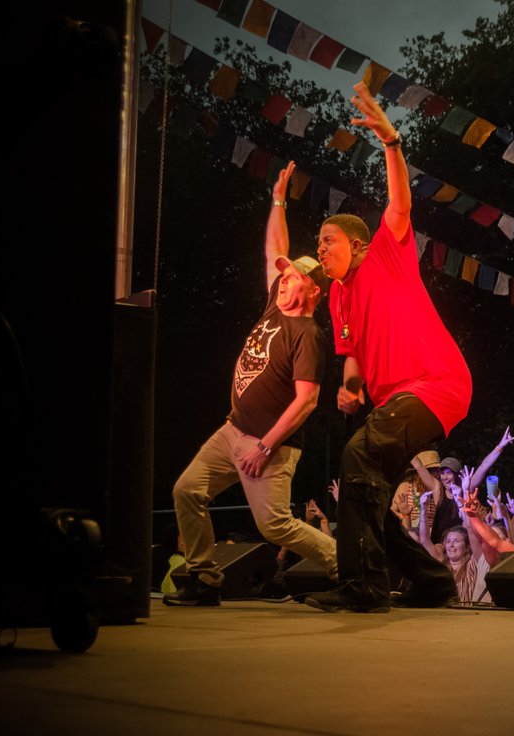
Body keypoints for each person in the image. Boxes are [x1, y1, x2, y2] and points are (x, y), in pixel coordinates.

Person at [304, 81, 472, 613]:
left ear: (355, 243)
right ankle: (430, 580)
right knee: (364, 489)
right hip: (394, 398)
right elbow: (351, 352)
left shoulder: (384, 254)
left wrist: (391, 141)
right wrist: (351, 387)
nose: (319, 248)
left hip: (435, 384)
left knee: (359, 455)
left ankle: (365, 587)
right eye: (317, 243)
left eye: (327, 241)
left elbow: (399, 201)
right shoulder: (337, 294)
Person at [164, 161, 338, 606]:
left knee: (274, 525)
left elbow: (306, 402)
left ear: (313, 291)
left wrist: (265, 446)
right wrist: (278, 200)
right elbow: (272, 249)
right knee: (187, 490)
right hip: (231, 431)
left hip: (270, 446)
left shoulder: (308, 336)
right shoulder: (273, 308)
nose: (283, 281)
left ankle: (348, 566)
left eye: (294, 277)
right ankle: (204, 579)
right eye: (283, 277)